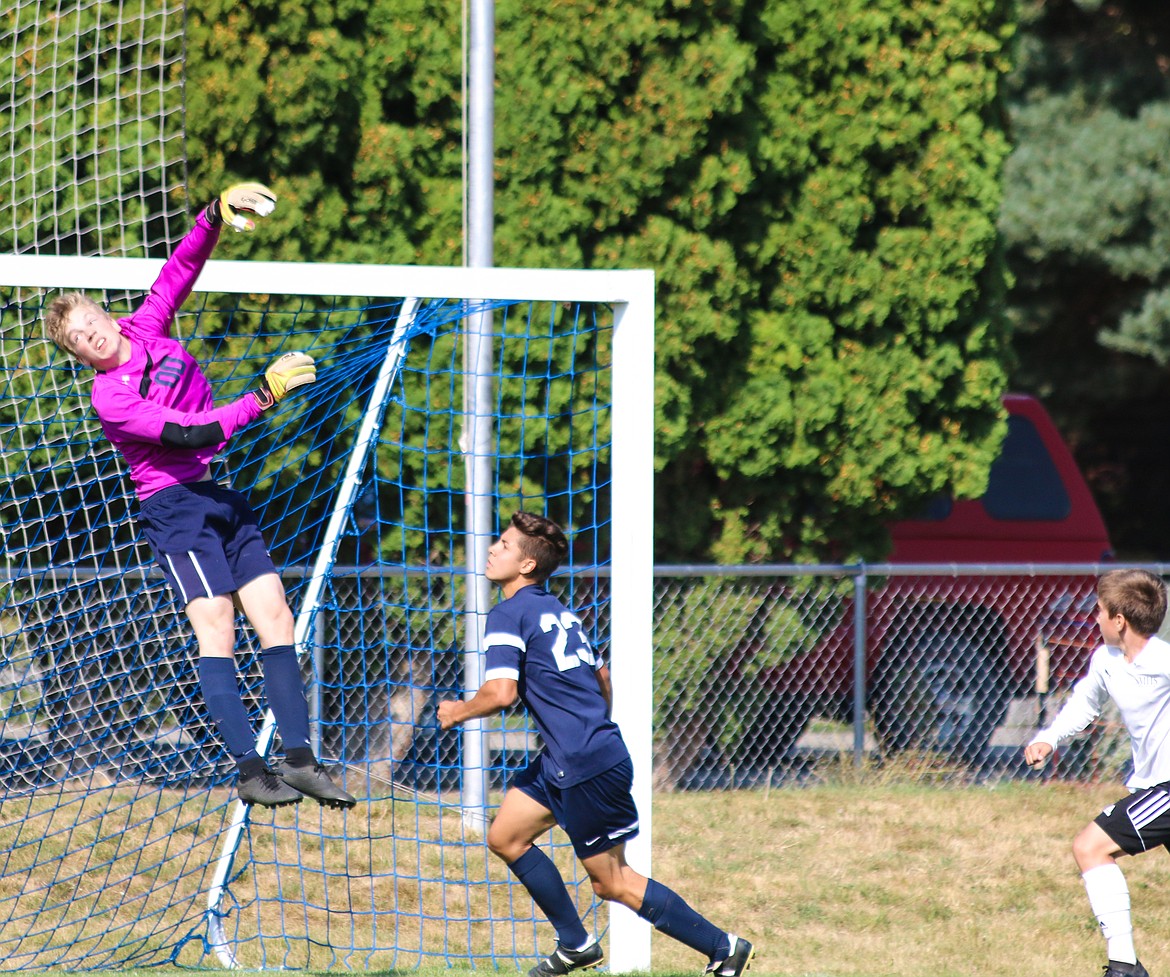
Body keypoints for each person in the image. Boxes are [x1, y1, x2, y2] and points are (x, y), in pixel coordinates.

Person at [43, 182, 354, 811]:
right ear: (78, 355)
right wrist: (262, 396)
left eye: (90, 324)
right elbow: (192, 434)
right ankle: (247, 769)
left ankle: (299, 759)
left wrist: (214, 211)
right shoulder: (111, 397)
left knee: (277, 617)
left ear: (105, 315)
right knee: (218, 630)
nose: (91, 337)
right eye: (77, 340)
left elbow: (181, 267)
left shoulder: (148, 325)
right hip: (174, 508)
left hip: (217, 493)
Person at [438, 511, 754, 977]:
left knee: (613, 882)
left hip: (583, 763)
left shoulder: (509, 613)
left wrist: (457, 711)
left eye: (503, 544)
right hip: (569, 758)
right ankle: (576, 944)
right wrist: (586, 726)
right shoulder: (557, 610)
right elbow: (601, 677)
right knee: (506, 836)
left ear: (526, 566)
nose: (491, 549)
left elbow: (501, 694)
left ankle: (724, 947)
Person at [1024, 567, 1170, 977]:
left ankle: (1124, 968)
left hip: (1167, 789)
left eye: (1100, 610)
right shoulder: (1105, 661)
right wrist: (1049, 738)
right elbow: (1084, 704)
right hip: (1153, 786)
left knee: (1091, 846)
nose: (1095, 617)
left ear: (1119, 621)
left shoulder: (1163, 660)